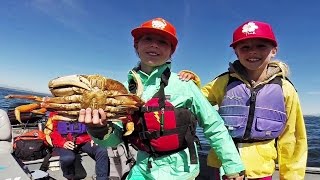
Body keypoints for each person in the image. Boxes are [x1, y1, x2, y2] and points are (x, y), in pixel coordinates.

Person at [78, 17, 245, 180]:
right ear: (136, 45)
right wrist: (98, 129)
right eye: (148, 39)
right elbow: (112, 141)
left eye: (163, 42)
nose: (154, 45)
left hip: (181, 171)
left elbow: (214, 126)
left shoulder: (185, 85)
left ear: (171, 51)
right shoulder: (122, 90)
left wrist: (233, 166)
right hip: (142, 168)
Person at [179, 20, 308, 179]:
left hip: (261, 170)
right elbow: (195, 102)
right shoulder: (223, 82)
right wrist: (191, 81)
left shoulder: (286, 89)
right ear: (236, 52)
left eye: (261, 46)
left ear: (274, 50)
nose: (252, 52)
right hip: (222, 166)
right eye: (245, 47)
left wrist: (291, 177)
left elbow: (293, 138)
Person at [49, 112, 109, 180]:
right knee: (67, 158)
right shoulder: (55, 113)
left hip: (84, 140)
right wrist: (63, 143)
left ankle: (102, 178)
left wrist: (93, 137)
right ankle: (69, 176)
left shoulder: (86, 111)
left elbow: (93, 127)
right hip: (65, 142)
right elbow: (52, 132)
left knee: (101, 150)